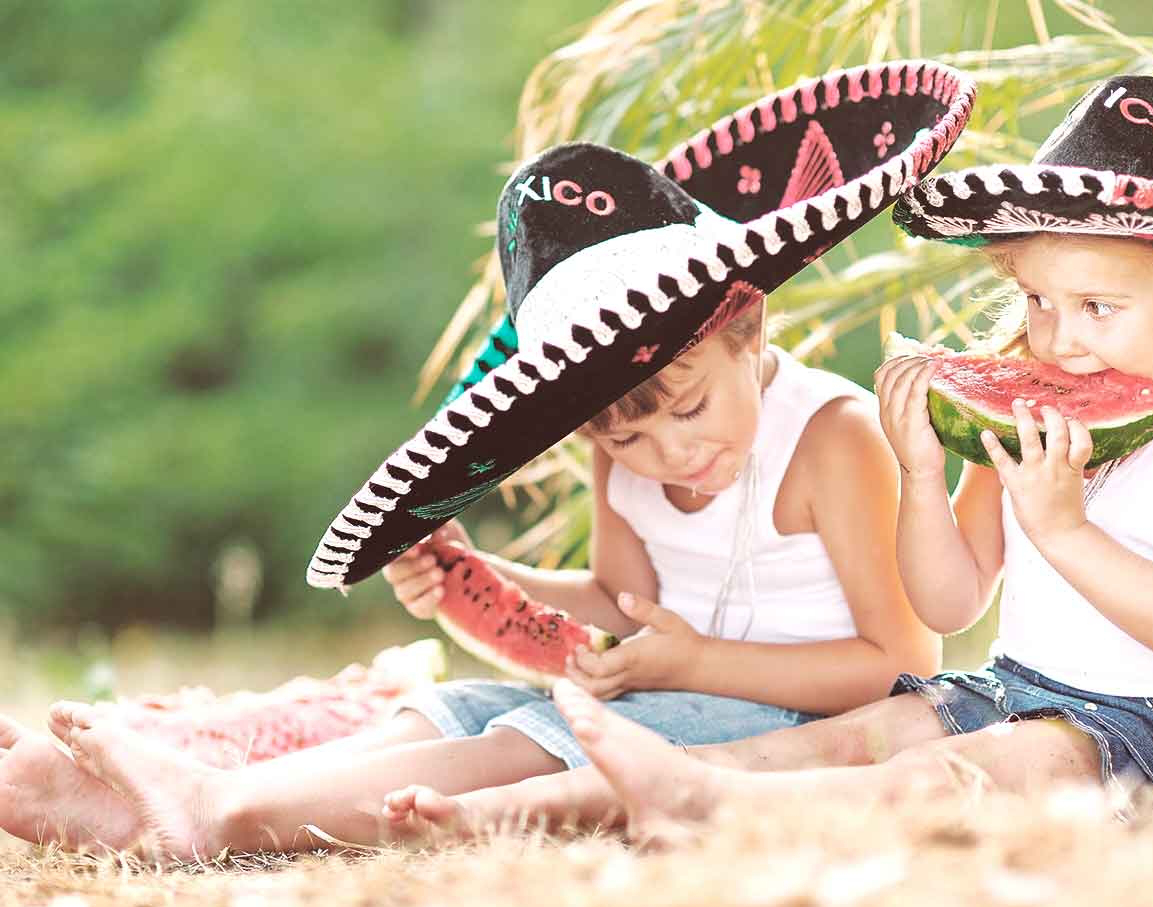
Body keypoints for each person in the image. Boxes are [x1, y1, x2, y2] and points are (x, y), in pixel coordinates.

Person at [6, 60, 979, 856]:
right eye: (622, 435)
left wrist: (695, 662)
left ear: (748, 328)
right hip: (671, 692)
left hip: (792, 731)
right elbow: (617, 607)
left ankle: (219, 812)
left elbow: (898, 663)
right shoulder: (624, 453)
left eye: (687, 408)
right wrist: (486, 582)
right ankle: (168, 805)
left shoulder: (832, 436)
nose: (670, 451)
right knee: (456, 708)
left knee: (526, 741)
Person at [376, 74, 1153, 842]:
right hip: (1005, 687)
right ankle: (560, 803)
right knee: (846, 737)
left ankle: (714, 808)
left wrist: (1061, 526)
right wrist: (926, 478)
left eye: (1098, 308)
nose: (1059, 340)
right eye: (1037, 300)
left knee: (943, 779)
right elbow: (948, 606)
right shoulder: (1024, 410)